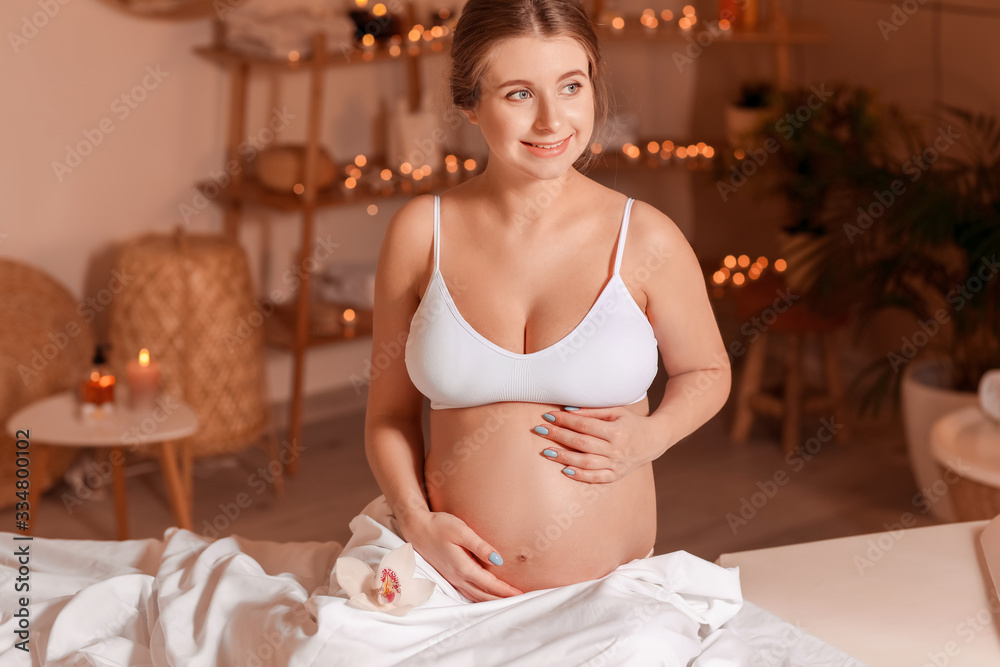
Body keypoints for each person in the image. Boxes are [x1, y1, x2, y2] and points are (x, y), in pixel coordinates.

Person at [364, 0, 730, 602]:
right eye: (518, 94)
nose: (552, 120)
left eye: (570, 86)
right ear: (469, 104)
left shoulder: (645, 238)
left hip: (607, 600)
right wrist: (417, 523)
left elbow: (707, 371)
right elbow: (389, 418)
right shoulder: (418, 234)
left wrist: (652, 436)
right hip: (442, 588)